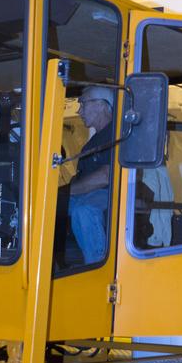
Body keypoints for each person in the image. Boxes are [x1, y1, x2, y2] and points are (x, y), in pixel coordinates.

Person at [67, 84, 115, 265]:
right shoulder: (95, 140)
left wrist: (68, 191)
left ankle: (97, 265)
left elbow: (106, 176)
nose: (79, 111)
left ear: (101, 104)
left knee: (84, 211)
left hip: (111, 193)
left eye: (83, 104)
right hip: (89, 193)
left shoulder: (116, 135)